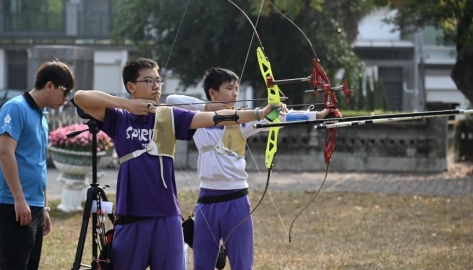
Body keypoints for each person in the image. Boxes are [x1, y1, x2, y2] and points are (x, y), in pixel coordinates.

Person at [72, 58, 285, 270]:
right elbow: (80, 97)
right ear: (131, 87)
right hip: (131, 214)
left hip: (167, 216)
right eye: (148, 81)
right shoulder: (119, 118)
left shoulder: (169, 116)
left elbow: (216, 117)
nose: (156, 86)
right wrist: (127, 104)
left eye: (158, 80)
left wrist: (259, 113)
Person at [166, 67, 342, 270]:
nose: (234, 94)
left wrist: (319, 115)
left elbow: (282, 117)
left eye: (236, 89)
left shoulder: (243, 121)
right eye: (229, 88)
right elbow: (172, 99)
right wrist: (214, 109)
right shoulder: (196, 120)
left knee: (242, 264)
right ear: (213, 92)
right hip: (207, 203)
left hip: (237, 202)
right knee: (203, 265)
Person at [0, 60, 75, 269]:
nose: (66, 99)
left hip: (34, 206)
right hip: (12, 203)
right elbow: (5, 153)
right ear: (49, 86)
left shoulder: (42, 116)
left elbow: (38, 164)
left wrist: (44, 206)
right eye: (65, 92)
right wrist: (19, 200)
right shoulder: (15, 108)